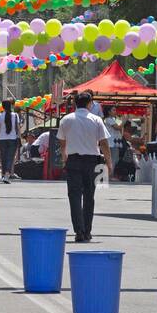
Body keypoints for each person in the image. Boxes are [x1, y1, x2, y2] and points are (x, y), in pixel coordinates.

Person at [57, 93, 114, 243]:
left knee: (74, 197)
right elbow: (104, 144)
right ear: (90, 103)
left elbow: (62, 143)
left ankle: (79, 231)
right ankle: (87, 231)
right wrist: (109, 162)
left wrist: (65, 159)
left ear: (75, 104)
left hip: (73, 161)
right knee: (89, 197)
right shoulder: (97, 120)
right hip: (92, 162)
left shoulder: (66, 119)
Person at [0, 98, 21, 182]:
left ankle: (4, 174)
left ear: (2, 107)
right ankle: (6, 174)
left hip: (2, 139)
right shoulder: (15, 115)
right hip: (12, 139)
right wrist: (19, 137)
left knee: (3, 157)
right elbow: (18, 128)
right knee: (10, 157)